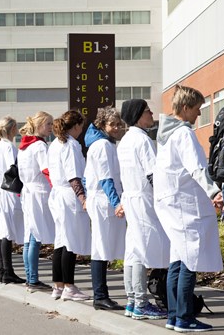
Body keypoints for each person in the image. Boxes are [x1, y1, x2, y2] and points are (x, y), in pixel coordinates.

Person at [154, 85, 223, 332]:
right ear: (185, 108)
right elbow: (197, 168)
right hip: (184, 205)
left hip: (171, 203)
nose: (198, 115)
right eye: (197, 109)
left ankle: (174, 316)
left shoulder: (165, 136)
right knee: (189, 261)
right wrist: (214, 192)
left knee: (178, 259)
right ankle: (184, 317)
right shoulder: (184, 134)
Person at [118, 99, 169, 320]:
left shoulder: (125, 141)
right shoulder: (143, 140)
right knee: (140, 250)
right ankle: (140, 303)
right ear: (139, 115)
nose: (152, 114)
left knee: (132, 250)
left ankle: (131, 301)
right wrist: (164, 199)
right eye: (148, 111)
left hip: (130, 198)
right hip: (143, 199)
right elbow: (152, 174)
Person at [84, 107, 126, 311]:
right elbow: (106, 177)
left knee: (102, 247)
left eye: (119, 124)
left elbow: (86, 177)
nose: (117, 128)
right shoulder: (102, 145)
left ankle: (101, 295)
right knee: (100, 248)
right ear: (102, 125)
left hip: (100, 200)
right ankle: (99, 295)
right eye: (113, 124)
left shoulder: (103, 144)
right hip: (103, 201)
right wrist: (116, 202)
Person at [48, 110, 91, 301]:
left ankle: (58, 285)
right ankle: (69, 286)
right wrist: (82, 198)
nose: (81, 130)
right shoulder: (71, 145)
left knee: (60, 240)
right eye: (81, 126)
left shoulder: (55, 144)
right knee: (70, 241)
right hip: (68, 195)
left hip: (57, 194)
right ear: (75, 126)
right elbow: (74, 175)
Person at [17, 111, 55, 292]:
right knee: (35, 236)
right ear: (39, 126)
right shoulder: (40, 146)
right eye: (48, 124)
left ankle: (30, 276)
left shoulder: (24, 147)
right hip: (39, 192)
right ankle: (32, 278)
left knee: (29, 236)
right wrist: (55, 186)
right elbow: (47, 169)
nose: (51, 128)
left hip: (28, 192)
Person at [0, 116, 24, 283]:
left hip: (1, 189)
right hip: (10, 190)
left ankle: (4, 271)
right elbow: (14, 168)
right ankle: (7, 271)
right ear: (12, 129)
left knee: (3, 230)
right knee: (8, 231)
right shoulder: (9, 147)